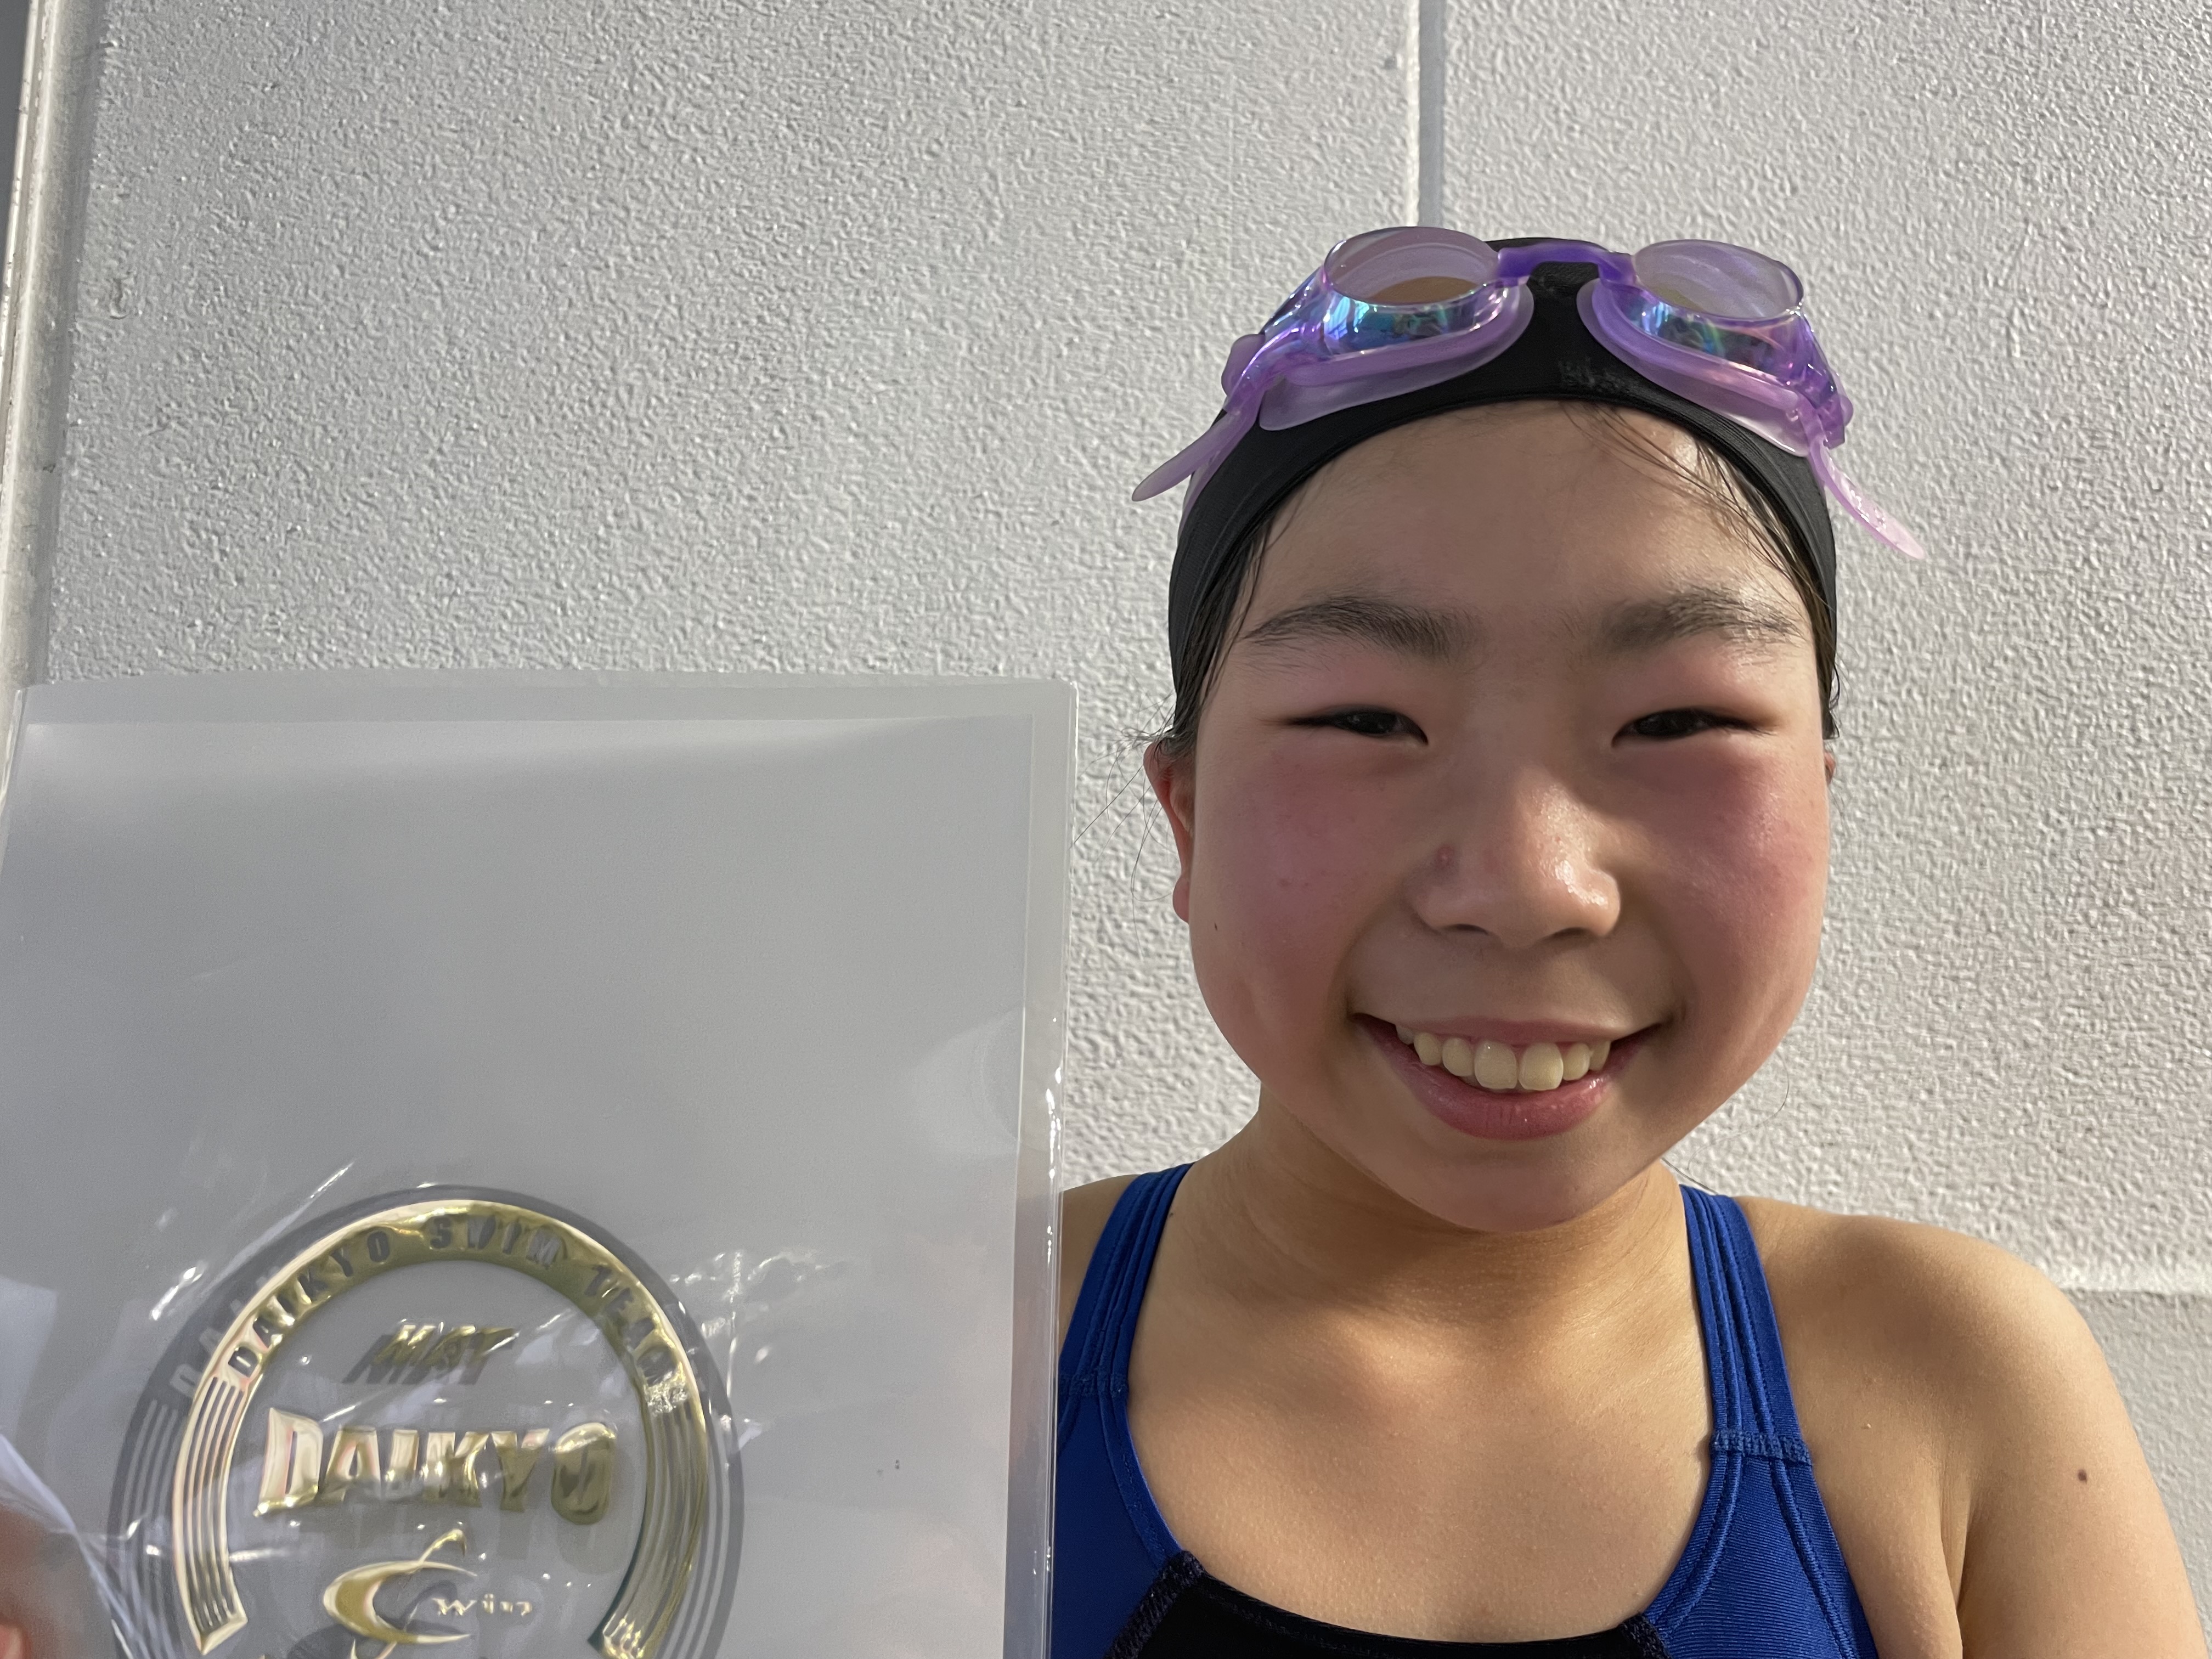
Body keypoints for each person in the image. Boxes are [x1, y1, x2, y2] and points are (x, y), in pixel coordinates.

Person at [1054, 229, 2205, 1657]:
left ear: (1820, 803)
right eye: (1366, 721)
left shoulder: (1950, 1382)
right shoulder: (942, 1345)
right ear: (1184, 815)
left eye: (1677, 723)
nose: (1528, 886)